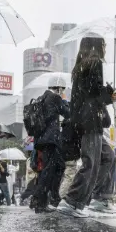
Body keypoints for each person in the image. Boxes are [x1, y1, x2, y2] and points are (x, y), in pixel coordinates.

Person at [56, 37, 116, 218]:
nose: (105, 48)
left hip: (85, 121)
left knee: (108, 156)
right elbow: (95, 95)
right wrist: (109, 95)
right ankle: (71, 201)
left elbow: (88, 93)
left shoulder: (83, 66)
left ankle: (100, 197)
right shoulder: (94, 62)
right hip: (90, 122)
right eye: (104, 45)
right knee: (91, 162)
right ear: (96, 47)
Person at [31, 77, 71, 213]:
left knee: (58, 167)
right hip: (51, 140)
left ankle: (51, 198)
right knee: (49, 170)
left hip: (42, 140)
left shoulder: (42, 98)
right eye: (62, 89)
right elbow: (67, 113)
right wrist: (64, 99)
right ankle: (39, 201)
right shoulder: (54, 98)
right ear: (59, 88)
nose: (62, 92)